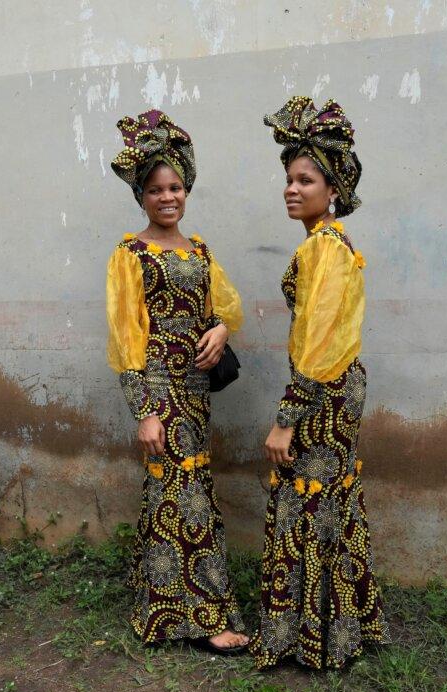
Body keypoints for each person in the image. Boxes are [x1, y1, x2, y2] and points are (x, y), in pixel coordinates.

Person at [251, 96, 390, 669]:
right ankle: (336, 631)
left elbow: (316, 346)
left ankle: (310, 637)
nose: (292, 188)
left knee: (309, 505)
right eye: (288, 178)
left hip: (322, 393)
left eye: (305, 179)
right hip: (334, 388)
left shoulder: (325, 249)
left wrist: (286, 420)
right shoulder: (325, 245)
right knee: (327, 505)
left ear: (332, 189)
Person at [105, 109, 249, 652]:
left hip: (196, 391)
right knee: (182, 493)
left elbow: (224, 306)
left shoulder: (201, 251)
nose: (168, 198)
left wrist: (218, 327)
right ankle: (207, 619)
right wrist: (143, 410)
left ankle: (162, 607)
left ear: (187, 191)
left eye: (177, 187)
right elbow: (126, 339)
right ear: (141, 196)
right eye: (156, 190)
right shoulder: (130, 254)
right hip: (160, 389)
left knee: (177, 492)